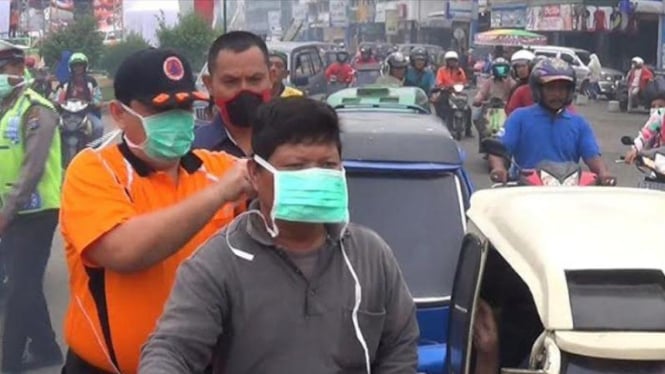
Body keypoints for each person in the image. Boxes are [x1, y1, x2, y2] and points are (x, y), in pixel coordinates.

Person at [139, 96, 420, 373]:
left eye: (327, 165)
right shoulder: (218, 264)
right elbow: (172, 349)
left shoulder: (370, 254)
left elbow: (399, 348)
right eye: (296, 167)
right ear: (255, 173)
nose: (314, 177)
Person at [59, 48, 250, 373]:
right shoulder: (95, 170)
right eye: (161, 109)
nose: (177, 117)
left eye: (185, 106)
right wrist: (218, 196)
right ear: (119, 113)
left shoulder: (220, 169)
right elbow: (124, 251)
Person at [0, 40, 63, 372]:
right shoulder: (6, 109)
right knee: (26, 283)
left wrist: (5, 214)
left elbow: (32, 168)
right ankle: (46, 348)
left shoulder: (36, 109)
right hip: (12, 213)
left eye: (3, 68)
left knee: (19, 290)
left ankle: (8, 363)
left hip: (36, 213)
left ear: (17, 70)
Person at [488, 57, 614, 185]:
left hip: (567, 190)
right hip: (526, 190)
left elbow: (592, 155)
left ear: (569, 92)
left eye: (562, 89)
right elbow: (500, 149)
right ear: (538, 90)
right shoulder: (519, 118)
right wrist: (499, 168)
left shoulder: (579, 123)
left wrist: (604, 173)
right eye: (551, 89)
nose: (557, 94)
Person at [192, 31, 274, 156]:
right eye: (231, 82)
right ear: (209, 85)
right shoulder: (192, 152)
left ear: (272, 78)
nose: (244, 90)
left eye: (255, 79)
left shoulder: (297, 144)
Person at [53, 52, 104, 141]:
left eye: (80, 65)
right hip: (66, 114)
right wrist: (57, 103)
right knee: (51, 127)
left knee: (98, 127)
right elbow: (56, 98)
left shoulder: (91, 82)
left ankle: (94, 150)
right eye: (75, 66)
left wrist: (95, 103)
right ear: (71, 67)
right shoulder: (65, 82)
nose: (78, 68)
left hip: (87, 113)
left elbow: (98, 98)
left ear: (85, 67)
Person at [624, 77, 665, 163]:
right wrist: (635, 150)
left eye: (661, 106)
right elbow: (646, 134)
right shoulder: (659, 116)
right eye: (653, 106)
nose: (656, 110)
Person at [472, 57, 514, 141]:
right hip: (489, 108)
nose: (500, 71)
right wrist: (478, 99)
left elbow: (515, 92)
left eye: (503, 69)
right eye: (498, 69)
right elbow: (482, 93)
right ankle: (483, 140)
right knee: (476, 117)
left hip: (505, 109)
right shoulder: (489, 81)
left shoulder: (510, 82)